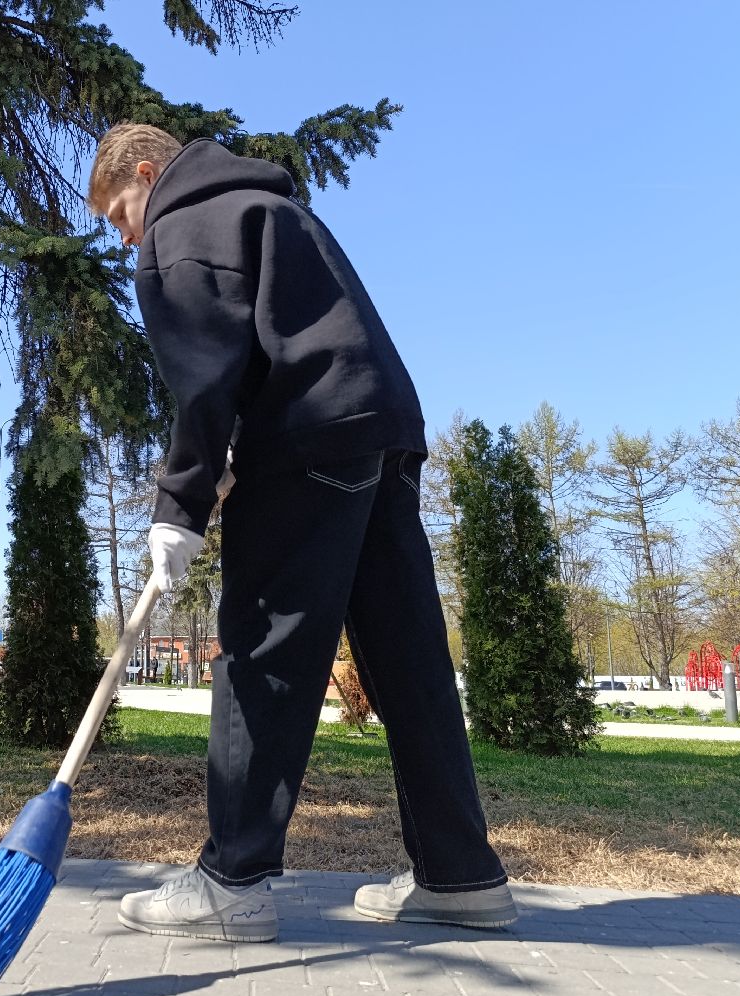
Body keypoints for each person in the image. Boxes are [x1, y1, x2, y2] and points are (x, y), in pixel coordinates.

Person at [88, 124, 515, 942]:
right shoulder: (277, 210)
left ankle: (232, 883)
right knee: (409, 660)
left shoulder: (182, 228)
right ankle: (462, 876)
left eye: (119, 214)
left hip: (309, 443)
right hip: (382, 431)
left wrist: (177, 508)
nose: (126, 237)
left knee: (262, 650)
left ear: (148, 174)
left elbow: (203, 380)